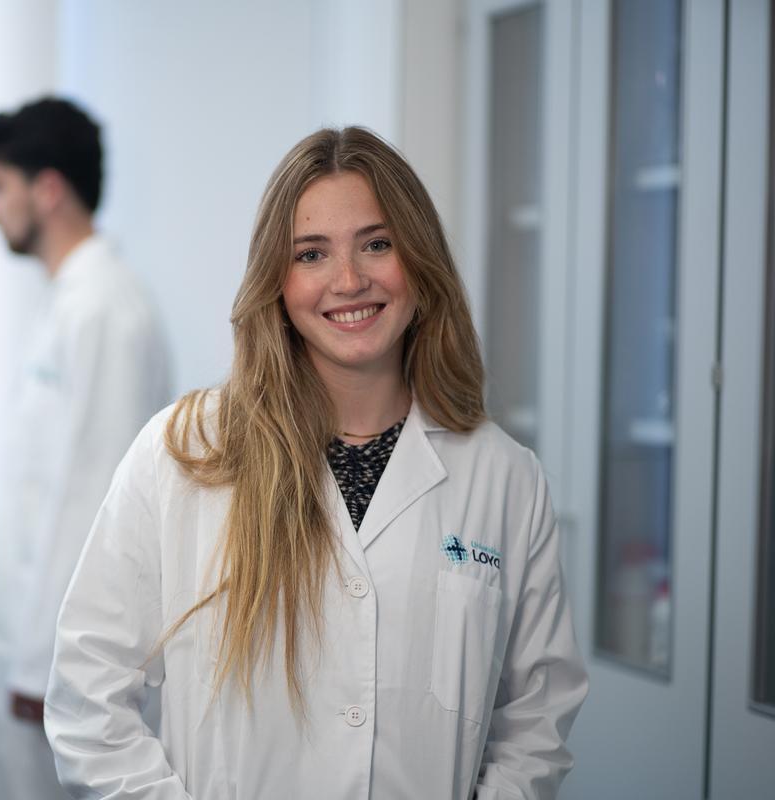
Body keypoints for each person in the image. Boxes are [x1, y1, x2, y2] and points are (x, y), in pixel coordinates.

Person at [45, 127, 588, 799]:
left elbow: (536, 720)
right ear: (277, 280)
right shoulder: (182, 454)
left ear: (420, 261)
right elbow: (86, 697)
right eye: (312, 254)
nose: (349, 280)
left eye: (377, 244)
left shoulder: (505, 477)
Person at [0, 96, 172, 799]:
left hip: (56, 674)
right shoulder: (68, 305)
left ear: (47, 189)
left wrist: (40, 672)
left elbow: (96, 504)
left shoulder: (104, 311)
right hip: (30, 654)